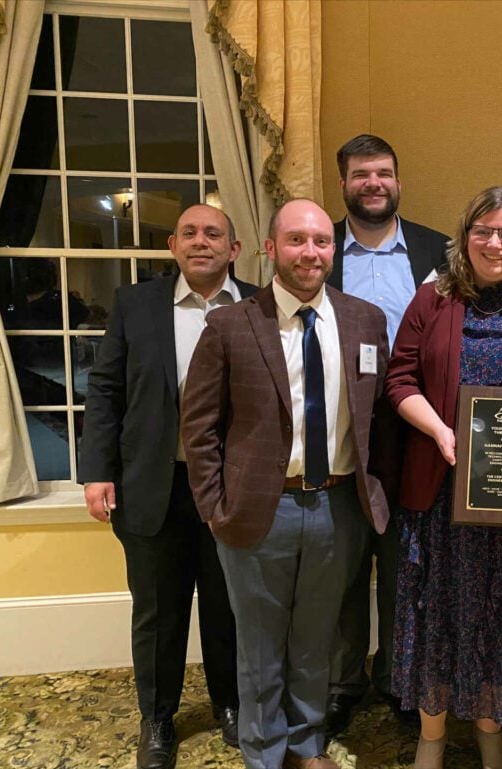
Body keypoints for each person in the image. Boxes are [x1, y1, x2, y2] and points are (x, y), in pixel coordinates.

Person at [181, 199, 392, 769]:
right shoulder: (230, 323)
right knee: (258, 645)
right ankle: (264, 750)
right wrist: (214, 508)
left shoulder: (365, 320)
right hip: (257, 511)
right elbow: (198, 427)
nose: (311, 253)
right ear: (270, 248)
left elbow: (379, 417)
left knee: (318, 638)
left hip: (339, 506)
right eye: (297, 240)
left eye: (321, 241)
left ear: (333, 251)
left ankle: (307, 742)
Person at [385, 186, 502, 769]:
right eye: (483, 231)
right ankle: (432, 737)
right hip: (439, 500)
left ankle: (491, 731)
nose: (495, 243)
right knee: (434, 617)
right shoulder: (432, 301)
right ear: (463, 238)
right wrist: (442, 432)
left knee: (497, 623)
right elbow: (401, 381)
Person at [78, 204, 251, 769]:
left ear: (235, 249)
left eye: (214, 234)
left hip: (228, 487)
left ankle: (231, 703)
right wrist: (97, 471)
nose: (201, 242)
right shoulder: (136, 304)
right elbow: (105, 390)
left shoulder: (258, 306)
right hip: (153, 484)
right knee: (158, 611)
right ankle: (157, 718)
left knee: (228, 605)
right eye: (190, 233)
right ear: (173, 246)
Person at [325, 133, 449, 734]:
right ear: (342, 183)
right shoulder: (319, 250)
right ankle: (344, 682)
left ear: (399, 179)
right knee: (346, 565)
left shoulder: (439, 251)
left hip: (417, 433)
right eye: (360, 174)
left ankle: (400, 679)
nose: (373, 183)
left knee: (406, 567)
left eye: (383, 173)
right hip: (340, 432)